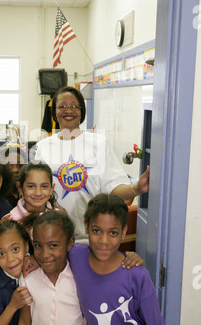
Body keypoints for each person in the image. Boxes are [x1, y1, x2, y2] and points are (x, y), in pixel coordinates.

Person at [34, 86, 149, 242]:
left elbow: (113, 187)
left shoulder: (98, 143)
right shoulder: (43, 147)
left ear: (82, 111)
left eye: (75, 106)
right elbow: (35, 191)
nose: (69, 110)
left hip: (91, 237)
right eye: (62, 106)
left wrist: (136, 188)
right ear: (54, 112)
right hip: (53, 235)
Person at [68, 193, 165, 325]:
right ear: (86, 226)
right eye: (96, 231)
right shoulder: (75, 255)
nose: (104, 241)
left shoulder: (137, 275)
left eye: (113, 233)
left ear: (124, 231)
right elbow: (51, 251)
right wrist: (31, 260)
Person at [17, 211, 89, 325]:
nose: (44, 254)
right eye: (38, 246)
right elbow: (24, 324)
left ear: (70, 243)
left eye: (53, 245)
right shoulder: (28, 279)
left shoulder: (79, 276)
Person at [1, 161, 62, 238]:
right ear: (20, 189)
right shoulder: (10, 220)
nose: (38, 193)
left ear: (51, 189)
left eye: (44, 186)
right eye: (31, 186)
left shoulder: (59, 216)